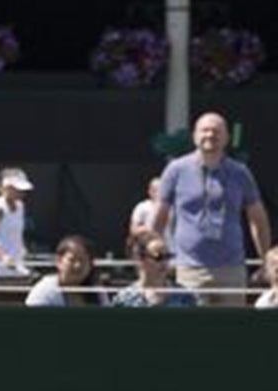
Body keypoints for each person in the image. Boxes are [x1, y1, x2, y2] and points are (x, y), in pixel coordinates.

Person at [154, 112, 271, 303]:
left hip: (231, 268)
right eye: (204, 130)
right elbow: (159, 216)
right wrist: (158, 257)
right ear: (195, 136)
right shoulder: (176, 169)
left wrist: (265, 260)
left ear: (227, 138)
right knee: (191, 328)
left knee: (232, 329)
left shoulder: (240, 172)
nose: (210, 135)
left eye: (216, 131)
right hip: (189, 268)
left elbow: (257, 219)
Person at [111, 231, 196, 308]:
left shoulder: (184, 296)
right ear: (140, 260)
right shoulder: (124, 299)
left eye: (167, 257)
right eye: (158, 257)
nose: (164, 262)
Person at [25, 235, 98, 306]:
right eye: (72, 260)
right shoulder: (44, 291)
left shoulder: (97, 292)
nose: (77, 266)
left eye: (83, 260)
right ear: (59, 261)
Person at [126, 177, 163, 259]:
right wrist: (148, 229)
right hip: (147, 244)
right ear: (149, 191)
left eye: (161, 190)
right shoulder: (142, 207)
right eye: (155, 190)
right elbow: (133, 230)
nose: (158, 193)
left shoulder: (171, 208)